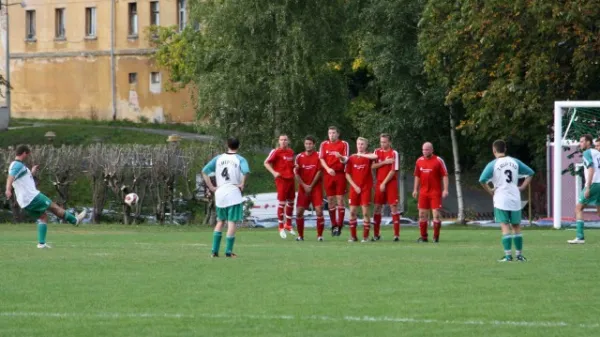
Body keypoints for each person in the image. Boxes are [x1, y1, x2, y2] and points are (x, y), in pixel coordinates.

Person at [5, 145, 86, 248]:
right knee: (53, 206)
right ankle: (75, 220)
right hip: (32, 197)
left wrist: (32, 172)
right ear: (24, 153)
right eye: (28, 154)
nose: (29, 156)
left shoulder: (18, 166)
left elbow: (22, 178)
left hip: (24, 201)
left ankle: (41, 244)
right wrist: (8, 189)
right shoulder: (17, 165)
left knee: (43, 217)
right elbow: (10, 177)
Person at [479, 139, 534, 262]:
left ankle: (508, 256)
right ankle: (519, 255)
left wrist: (490, 191)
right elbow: (530, 173)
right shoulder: (514, 162)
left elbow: (482, 179)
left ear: (494, 150)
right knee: (516, 226)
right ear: (505, 149)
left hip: (501, 199)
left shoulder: (493, 164)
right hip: (515, 198)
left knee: (505, 226)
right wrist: (523, 186)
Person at [202, 137, 250, 258]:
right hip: (233, 192)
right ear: (238, 146)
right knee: (231, 222)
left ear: (227, 145)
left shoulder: (218, 158)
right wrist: (242, 184)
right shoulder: (240, 159)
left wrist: (212, 187)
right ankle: (228, 251)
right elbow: (246, 171)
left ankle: (214, 251)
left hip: (220, 192)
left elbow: (204, 171)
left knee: (220, 221)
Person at [412, 142, 449, 243]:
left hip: (435, 193)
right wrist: (415, 189)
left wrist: (445, 189)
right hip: (423, 192)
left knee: (436, 215)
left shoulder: (438, 160)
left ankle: (436, 237)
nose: (425, 152)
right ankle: (424, 237)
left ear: (432, 150)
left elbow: (445, 175)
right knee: (422, 215)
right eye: (423, 150)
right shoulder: (419, 161)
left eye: (427, 150)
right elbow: (417, 176)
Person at [568, 134, 600, 244]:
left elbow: (591, 169)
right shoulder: (597, 153)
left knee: (578, 208)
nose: (580, 143)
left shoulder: (587, 153)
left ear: (588, 142)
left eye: (582, 141)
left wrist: (588, 187)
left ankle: (580, 237)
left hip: (594, 184)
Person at [264, 134, 297, 239]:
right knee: (282, 203)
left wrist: (296, 167)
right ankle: (280, 227)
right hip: (281, 180)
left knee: (291, 202)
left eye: (285, 140)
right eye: (281, 140)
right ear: (279, 141)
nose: (283, 141)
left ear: (288, 141)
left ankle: (288, 225)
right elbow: (266, 163)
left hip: (291, 179)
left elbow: (291, 165)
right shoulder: (276, 152)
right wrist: (274, 172)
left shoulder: (291, 152)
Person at [319, 126, 350, 236]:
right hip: (328, 175)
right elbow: (321, 158)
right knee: (330, 200)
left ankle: (340, 225)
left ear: (338, 134)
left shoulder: (343, 144)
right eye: (329, 133)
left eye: (333, 133)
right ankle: (334, 225)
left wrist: (340, 157)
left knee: (340, 199)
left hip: (340, 174)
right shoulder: (324, 144)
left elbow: (346, 159)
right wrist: (327, 169)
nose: (331, 135)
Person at [371, 134, 401, 241]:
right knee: (377, 207)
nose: (382, 144)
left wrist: (384, 183)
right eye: (381, 142)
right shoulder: (376, 152)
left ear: (389, 142)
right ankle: (376, 234)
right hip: (379, 183)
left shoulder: (394, 153)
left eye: (385, 142)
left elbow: (393, 170)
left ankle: (396, 235)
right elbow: (372, 166)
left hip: (390, 183)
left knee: (393, 207)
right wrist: (384, 162)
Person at [294, 136, 324, 241]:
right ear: (304, 144)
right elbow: (296, 174)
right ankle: (300, 236)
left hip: (316, 188)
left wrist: (311, 185)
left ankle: (320, 236)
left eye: (310, 144)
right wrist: (304, 185)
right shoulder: (299, 157)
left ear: (314, 144)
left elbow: (319, 171)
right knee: (299, 212)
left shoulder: (319, 156)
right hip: (303, 188)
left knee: (319, 211)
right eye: (306, 143)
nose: (308, 145)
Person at [345, 137, 374, 243]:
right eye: (358, 144)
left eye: (362, 144)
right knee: (352, 212)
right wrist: (355, 186)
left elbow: (375, 156)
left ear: (366, 145)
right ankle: (353, 236)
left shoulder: (368, 157)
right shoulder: (352, 158)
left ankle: (365, 237)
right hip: (354, 189)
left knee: (366, 213)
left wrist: (361, 154)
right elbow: (347, 174)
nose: (360, 146)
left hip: (366, 188)